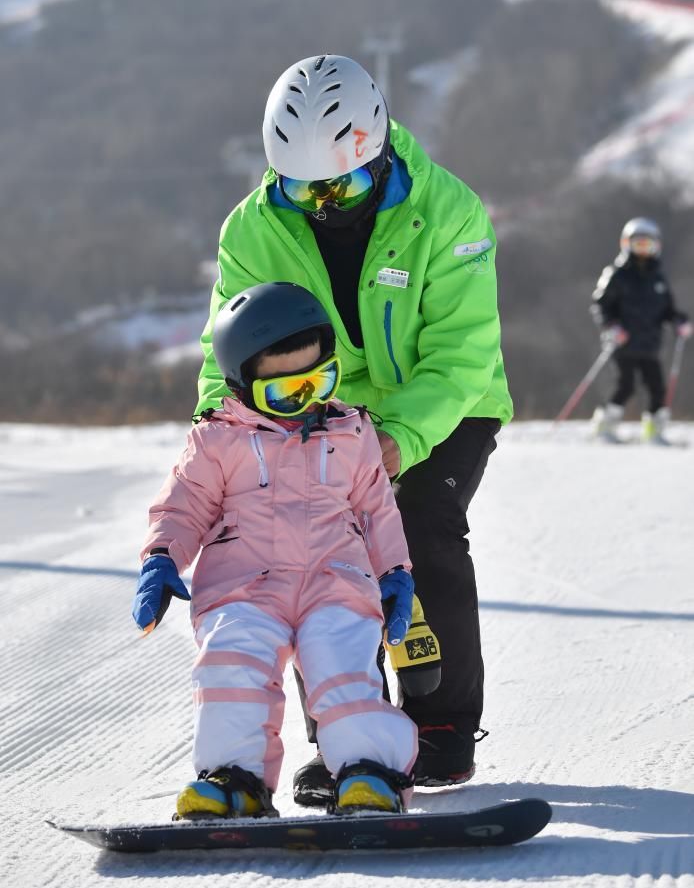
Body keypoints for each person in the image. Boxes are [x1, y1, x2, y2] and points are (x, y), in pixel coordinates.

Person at [196, 54, 513, 805]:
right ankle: (350, 737)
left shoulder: (449, 211)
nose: (327, 204)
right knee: (307, 537)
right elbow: (229, 352)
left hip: (442, 402)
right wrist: (219, 442)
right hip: (319, 404)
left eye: (344, 184)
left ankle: (439, 727)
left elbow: (460, 353)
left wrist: (398, 437)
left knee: (419, 521)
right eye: (305, 189)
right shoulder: (252, 229)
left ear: (376, 151)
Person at [132, 281, 418, 819]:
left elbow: (378, 511)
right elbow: (183, 504)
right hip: (244, 585)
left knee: (344, 672)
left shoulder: (352, 432)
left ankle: (369, 771)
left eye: (320, 381)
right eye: (286, 393)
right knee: (230, 669)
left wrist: (395, 573)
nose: (307, 401)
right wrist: (162, 556)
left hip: (334, 580)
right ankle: (234, 778)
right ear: (243, 388)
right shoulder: (217, 439)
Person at [591, 217, 691, 442]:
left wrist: (679, 321)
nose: (643, 250)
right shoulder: (617, 274)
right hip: (622, 342)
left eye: (648, 245)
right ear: (626, 244)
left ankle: (654, 431)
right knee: (625, 385)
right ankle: (605, 426)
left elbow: (668, 309)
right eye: (638, 244)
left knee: (657, 388)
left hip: (650, 343)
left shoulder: (658, 278)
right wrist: (612, 326)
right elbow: (601, 305)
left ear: (657, 246)